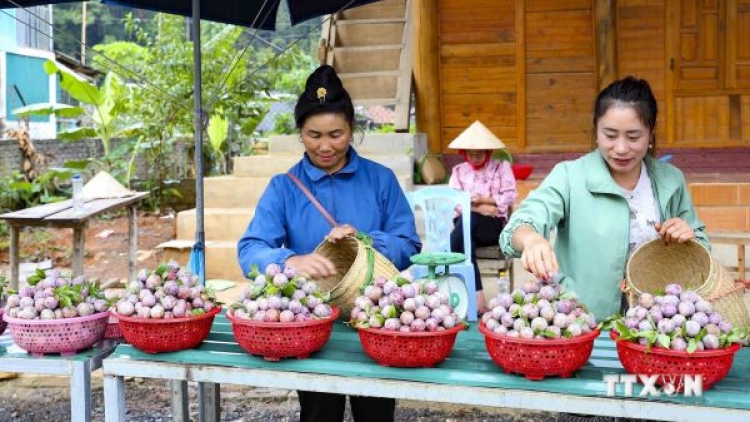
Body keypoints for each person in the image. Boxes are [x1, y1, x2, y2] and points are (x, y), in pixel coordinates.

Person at [237, 64, 421, 422]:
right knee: (319, 412)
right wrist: (290, 261)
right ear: (300, 134)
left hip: (377, 323)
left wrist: (367, 242)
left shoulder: (380, 180)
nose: (325, 146)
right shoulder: (283, 187)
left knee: (376, 412)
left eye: (336, 134)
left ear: (352, 129)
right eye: (313, 135)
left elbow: (408, 243)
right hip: (311, 326)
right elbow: (250, 250)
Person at [499, 76, 709, 324]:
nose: (620, 148)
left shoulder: (670, 181)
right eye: (610, 135)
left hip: (657, 329)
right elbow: (520, 225)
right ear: (596, 131)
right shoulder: (570, 176)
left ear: (651, 134)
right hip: (581, 324)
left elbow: (702, 251)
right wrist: (531, 239)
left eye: (633, 137)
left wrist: (688, 237)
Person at [448, 120, 517, 314]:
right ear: (464, 153)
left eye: (480, 153)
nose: (475, 157)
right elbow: (453, 201)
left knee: (463, 229)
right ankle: (478, 298)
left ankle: (442, 270)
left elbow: (510, 195)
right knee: (466, 233)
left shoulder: (501, 167)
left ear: (488, 151)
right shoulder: (458, 171)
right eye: (471, 153)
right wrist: (480, 209)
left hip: (492, 226)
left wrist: (484, 200)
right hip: (468, 223)